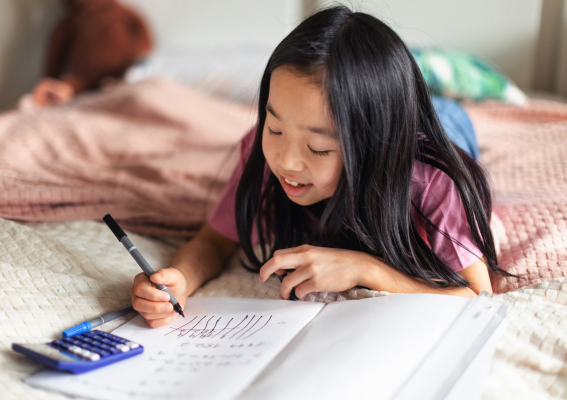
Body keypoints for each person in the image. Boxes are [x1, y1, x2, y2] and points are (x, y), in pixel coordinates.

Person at [130, 6, 513, 328]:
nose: (286, 161)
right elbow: (212, 241)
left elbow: (477, 293)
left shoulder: (433, 182)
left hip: (447, 128)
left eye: (317, 148)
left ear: (369, 148)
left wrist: (365, 268)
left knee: (445, 114)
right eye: (275, 128)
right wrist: (179, 279)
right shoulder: (261, 153)